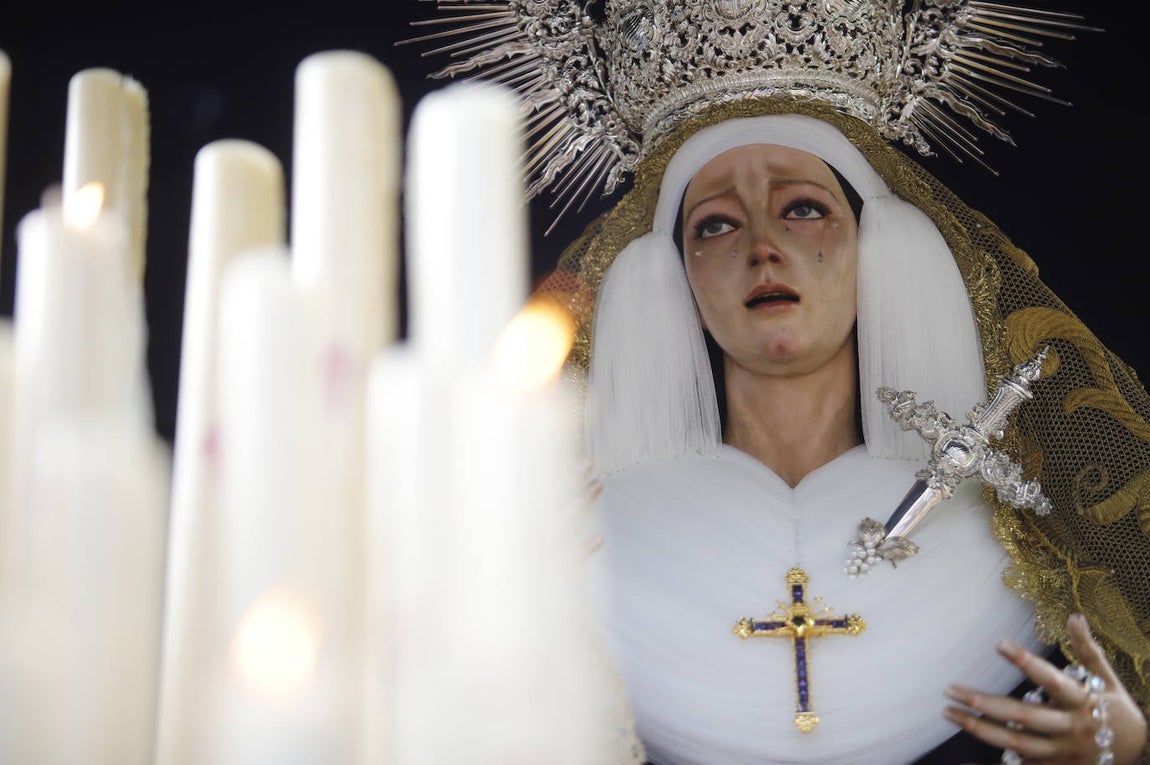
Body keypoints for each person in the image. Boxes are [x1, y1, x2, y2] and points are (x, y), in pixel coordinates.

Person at [408, 1, 1150, 763]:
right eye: (716, 225)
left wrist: (1123, 745)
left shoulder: (1017, 530)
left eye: (802, 208)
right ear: (672, 274)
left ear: (876, 243)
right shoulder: (588, 532)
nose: (762, 247)